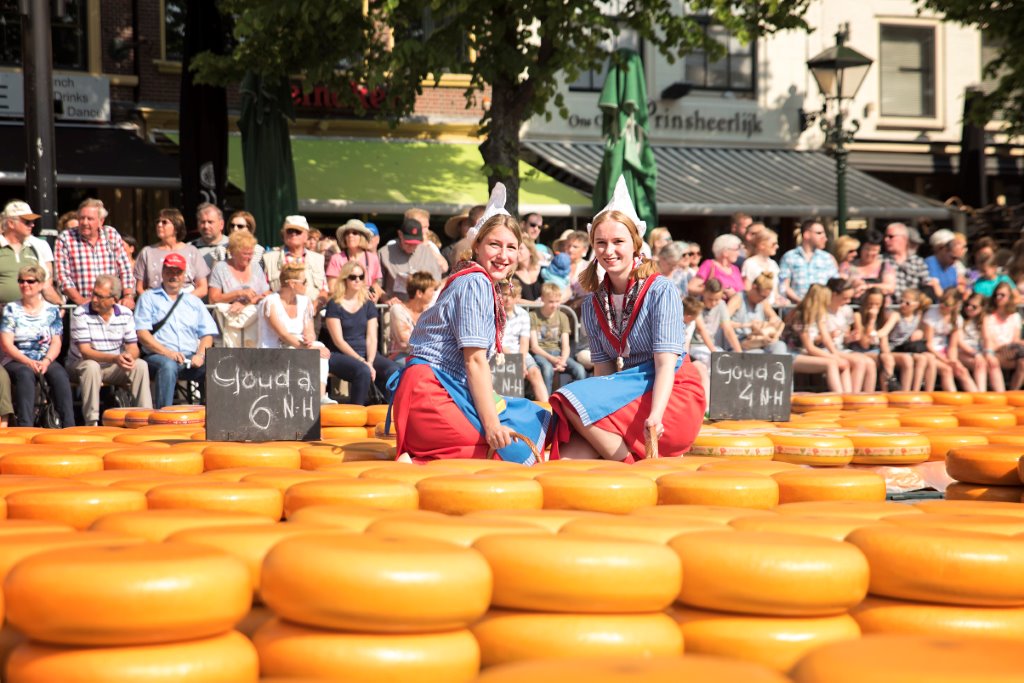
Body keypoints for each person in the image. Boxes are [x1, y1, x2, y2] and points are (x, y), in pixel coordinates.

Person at [545, 176, 705, 462]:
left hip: (670, 396)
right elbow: (603, 372)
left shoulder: (660, 289)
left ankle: (633, 470)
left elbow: (666, 363)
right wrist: (595, 411)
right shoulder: (594, 301)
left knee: (568, 397)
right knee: (568, 458)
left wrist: (656, 415)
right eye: (601, 243)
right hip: (627, 392)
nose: (609, 251)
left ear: (635, 243)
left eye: (618, 241)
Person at [389, 183, 550, 463]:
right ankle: (416, 463)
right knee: (502, 450)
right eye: (494, 245)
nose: (503, 255)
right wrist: (491, 425)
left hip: (433, 390)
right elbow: (474, 361)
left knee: (528, 416)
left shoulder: (475, 278)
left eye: (511, 247)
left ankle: (418, 457)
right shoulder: (476, 282)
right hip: (430, 393)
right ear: (477, 245)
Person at [135, 253, 218, 409]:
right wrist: (168, 353)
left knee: (217, 366)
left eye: (177, 272)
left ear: (184, 274)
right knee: (168, 366)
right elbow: (142, 334)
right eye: (170, 271)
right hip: (157, 356)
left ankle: (214, 417)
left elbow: (207, 334)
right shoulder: (148, 298)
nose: (174, 276)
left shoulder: (193, 301)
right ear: (163, 272)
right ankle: (163, 416)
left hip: (190, 357)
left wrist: (200, 355)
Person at [66, 274, 152, 426]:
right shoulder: (81, 313)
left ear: (114, 299)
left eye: (100, 296)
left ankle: (144, 418)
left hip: (113, 365)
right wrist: (115, 358)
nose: (94, 299)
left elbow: (133, 347)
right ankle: (91, 422)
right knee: (91, 367)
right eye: (93, 294)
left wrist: (128, 356)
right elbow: (86, 352)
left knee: (140, 365)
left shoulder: (125, 314)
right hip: (81, 364)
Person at [0, 264, 75, 427]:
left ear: (41, 284)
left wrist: (47, 361)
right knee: (25, 374)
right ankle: (25, 426)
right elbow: (6, 344)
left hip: (44, 358)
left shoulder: (52, 311)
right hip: (16, 359)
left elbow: (56, 341)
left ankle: (69, 426)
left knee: (60, 376)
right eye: (21, 281)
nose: (25, 285)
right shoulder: (11, 309)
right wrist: (28, 361)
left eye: (30, 281)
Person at [321, 260, 400, 405]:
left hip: (367, 354)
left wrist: (369, 361)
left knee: (393, 369)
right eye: (353, 277)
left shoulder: (368, 304)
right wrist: (363, 362)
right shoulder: (334, 304)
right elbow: (339, 341)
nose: (357, 280)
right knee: (363, 371)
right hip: (340, 354)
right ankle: (356, 414)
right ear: (345, 279)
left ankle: (392, 413)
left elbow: (371, 337)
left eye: (361, 276)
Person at [257, 263, 334, 404]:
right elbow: (283, 335)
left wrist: (309, 338)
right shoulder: (270, 302)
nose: (307, 285)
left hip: (296, 345)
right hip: (275, 348)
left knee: (320, 345)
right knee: (318, 350)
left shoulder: (304, 301)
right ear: (292, 283)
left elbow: (309, 328)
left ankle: (321, 396)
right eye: (304, 282)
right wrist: (309, 348)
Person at [54, 198, 136, 309]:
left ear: (101, 221)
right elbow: (62, 277)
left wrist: (128, 296)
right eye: (82, 218)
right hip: (81, 307)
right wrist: (80, 300)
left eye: (90, 219)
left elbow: (125, 269)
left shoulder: (111, 235)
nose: (84, 222)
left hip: (111, 304)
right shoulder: (66, 238)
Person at [784, 284, 854, 393]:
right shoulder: (801, 315)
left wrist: (835, 355)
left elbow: (826, 338)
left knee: (843, 364)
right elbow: (809, 348)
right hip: (793, 354)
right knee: (831, 364)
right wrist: (833, 358)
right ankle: (839, 395)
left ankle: (848, 397)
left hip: (805, 353)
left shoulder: (818, 315)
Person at [208, 230, 270, 348]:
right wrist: (238, 293)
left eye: (251, 253)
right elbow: (213, 299)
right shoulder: (220, 268)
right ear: (233, 252)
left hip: (252, 325)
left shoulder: (256, 267)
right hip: (226, 325)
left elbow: (267, 294)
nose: (250, 257)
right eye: (246, 254)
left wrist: (246, 302)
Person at [134, 209, 209, 300]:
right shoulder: (147, 252)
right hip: (156, 304)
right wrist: (153, 303)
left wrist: (181, 302)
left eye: (164, 222)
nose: (159, 225)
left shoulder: (192, 251)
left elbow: (203, 288)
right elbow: (139, 288)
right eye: (157, 222)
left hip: (186, 304)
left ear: (176, 227)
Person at [529, 282, 586, 395]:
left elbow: (565, 345)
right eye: (551, 302)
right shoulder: (533, 316)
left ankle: (576, 399)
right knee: (547, 369)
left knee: (579, 370)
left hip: (558, 353)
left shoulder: (562, 316)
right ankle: (547, 402)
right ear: (543, 299)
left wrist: (562, 360)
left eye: (557, 302)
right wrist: (552, 359)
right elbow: (534, 347)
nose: (554, 305)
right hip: (541, 353)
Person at [262, 215, 328, 310]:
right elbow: (264, 291)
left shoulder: (318, 259)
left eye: (298, 231)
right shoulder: (269, 258)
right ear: (283, 234)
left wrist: (316, 305)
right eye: (290, 231)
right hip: (278, 316)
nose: (293, 234)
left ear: (306, 236)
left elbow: (324, 291)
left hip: (310, 317)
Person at [825, 278, 876, 392]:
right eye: (845, 298)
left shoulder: (846, 310)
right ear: (834, 295)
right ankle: (852, 397)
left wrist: (850, 338)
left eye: (849, 298)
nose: (848, 301)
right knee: (860, 362)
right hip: (828, 349)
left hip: (841, 348)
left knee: (870, 363)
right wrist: (830, 335)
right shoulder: (823, 310)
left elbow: (845, 337)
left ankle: (869, 399)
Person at [501, 282, 549, 402]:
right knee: (513, 374)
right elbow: (500, 343)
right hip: (501, 353)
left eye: (511, 295)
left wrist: (521, 361)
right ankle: (513, 410)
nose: (507, 298)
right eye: (505, 294)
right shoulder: (494, 314)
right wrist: (516, 362)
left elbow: (524, 342)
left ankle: (547, 410)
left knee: (535, 373)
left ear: (517, 297)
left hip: (520, 353)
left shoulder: (523, 314)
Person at [379, 217, 445, 301]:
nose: (411, 247)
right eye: (408, 243)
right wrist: (386, 299)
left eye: (415, 244)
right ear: (400, 235)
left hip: (423, 307)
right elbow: (375, 285)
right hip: (395, 307)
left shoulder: (427, 252)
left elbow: (437, 282)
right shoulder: (384, 253)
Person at [922, 288, 972, 392]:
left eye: (947, 304)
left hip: (943, 352)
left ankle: (979, 400)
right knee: (947, 370)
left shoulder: (957, 319)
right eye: (942, 302)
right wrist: (946, 361)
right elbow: (928, 344)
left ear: (955, 306)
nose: (942, 306)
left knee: (962, 371)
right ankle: (953, 400)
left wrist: (953, 360)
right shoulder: (931, 315)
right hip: (930, 352)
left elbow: (953, 346)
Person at [779, 219, 838, 306]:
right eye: (819, 233)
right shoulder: (789, 257)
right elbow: (783, 285)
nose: (824, 237)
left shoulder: (827, 258)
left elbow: (835, 285)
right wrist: (801, 303)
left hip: (822, 309)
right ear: (806, 234)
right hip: (796, 310)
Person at [326, 219, 383, 301]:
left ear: (362, 237)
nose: (350, 235)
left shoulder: (373, 259)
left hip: (367, 306)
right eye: (347, 233)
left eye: (355, 233)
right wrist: (359, 292)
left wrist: (379, 296)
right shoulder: (336, 259)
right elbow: (332, 288)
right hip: (343, 305)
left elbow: (375, 285)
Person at [728, 273, 785, 354]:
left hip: (760, 340)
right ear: (754, 287)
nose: (762, 299)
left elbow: (775, 318)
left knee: (780, 346)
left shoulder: (763, 302)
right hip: (741, 343)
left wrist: (769, 323)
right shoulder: (738, 299)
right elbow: (723, 322)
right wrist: (748, 325)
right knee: (758, 353)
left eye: (765, 297)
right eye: (762, 296)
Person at [388, 271, 437, 364]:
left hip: (425, 355)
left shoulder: (429, 311)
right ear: (419, 293)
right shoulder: (398, 309)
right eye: (431, 290)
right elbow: (405, 341)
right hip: (403, 355)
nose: (433, 294)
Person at [984, 281, 1024, 390]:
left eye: (1002, 295)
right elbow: (987, 338)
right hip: (995, 351)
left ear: (1009, 297)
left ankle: (1013, 392)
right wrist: (992, 352)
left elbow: (1016, 339)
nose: (998, 297)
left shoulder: (1015, 316)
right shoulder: (988, 317)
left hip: (1012, 350)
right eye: (997, 294)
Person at [881, 222, 933, 302]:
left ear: (904, 239)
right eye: (885, 236)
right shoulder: (881, 261)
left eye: (891, 236)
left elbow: (927, 286)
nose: (886, 240)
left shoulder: (917, 262)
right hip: (888, 308)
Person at [960, 292, 998, 392]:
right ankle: (981, 395)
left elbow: (987, 338)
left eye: (974, 306)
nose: (969, 308)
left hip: (977, 352)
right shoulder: (960, 319)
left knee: (993, 363)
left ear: (981, 308)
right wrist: (976, 354)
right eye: (967, 305)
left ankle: (1002, 396)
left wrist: (989, 353)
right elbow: (959, 342)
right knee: (980, 364)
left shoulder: (982, 319)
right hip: (962, 351)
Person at [691, 234, 745, 300]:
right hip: (714, 307)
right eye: (736, 250)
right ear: (725, 252)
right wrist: (716, 292)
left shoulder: (735, 269)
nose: (738, 253)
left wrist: (734, 295)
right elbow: (691, 288)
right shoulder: (709, 264)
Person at [741, 228, 781, 306]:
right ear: (762, 245)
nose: (777, 246)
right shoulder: (750, 263)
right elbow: (747, 288)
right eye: (773, 244)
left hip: (772, 308)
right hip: (756, 307)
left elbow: (775, 290)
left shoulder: (773, 264)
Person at [191, 203, 229, 270]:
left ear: (221, 224)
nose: (206, 226)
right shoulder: (189, 248)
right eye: (202, 222)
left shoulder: (231, 245)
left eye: (210, 222)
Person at [926, 229, 961, 295]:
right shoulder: (930, 263)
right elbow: (936, 289)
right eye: (953, 258)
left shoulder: (952, 268)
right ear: (942, 249)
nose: (955, 261)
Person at [512, 238, 543, 303]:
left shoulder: (543, 271)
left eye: (520, 248)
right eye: (515, 248)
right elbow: (511, 297)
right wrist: (534, 304)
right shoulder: (512, 275)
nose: (517, 252)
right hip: (523, 312)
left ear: (530, 251)